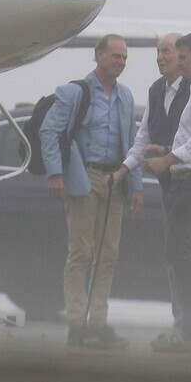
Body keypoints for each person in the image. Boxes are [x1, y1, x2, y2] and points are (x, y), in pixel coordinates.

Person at [123, 32, 191, 353]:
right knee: (180, 254)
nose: (177, 63)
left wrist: (167, 159)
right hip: (188, 178)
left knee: (181, 252)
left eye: (182, 57)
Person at [39, 34, 144, 348]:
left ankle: (98, 323)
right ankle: (77, 321)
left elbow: (133, 142)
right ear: (99, 56)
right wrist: (56, 173)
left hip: (116, 178)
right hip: (84, 175)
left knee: (107, 255)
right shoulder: (75, 92)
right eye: (115, 56)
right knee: (81, 252)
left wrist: (135, 186)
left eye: (124, 58)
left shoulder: (125, 96)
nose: (120, 63)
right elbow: (49, 130)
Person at [115, 33, 190, 348]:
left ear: (182, 55)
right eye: (158, 51)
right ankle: (183, 327)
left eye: (167, 51)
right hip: (169, 187)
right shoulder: (156, 90)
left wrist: (168, 151)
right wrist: (123, 170)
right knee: (175, 257)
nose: (160, 57)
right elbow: (142, 138)